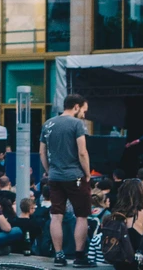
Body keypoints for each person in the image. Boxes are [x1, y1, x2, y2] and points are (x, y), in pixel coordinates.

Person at [41, 93, 95, 267]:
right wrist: (87, 174)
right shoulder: (77, 124)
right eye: (84, 110)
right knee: (82, 215)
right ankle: (79, 257)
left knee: (56, 216)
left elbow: (42, 152)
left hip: (55, 177)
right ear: (77, 106)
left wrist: (50, 171)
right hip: (75, 177)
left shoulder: (48, 123)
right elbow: (82, 151)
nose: (84, 115)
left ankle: (58, 256)